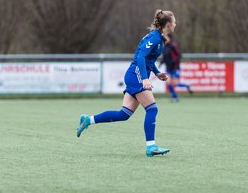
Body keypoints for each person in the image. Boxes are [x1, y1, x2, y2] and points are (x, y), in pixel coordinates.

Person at [77, 10, 176, 157]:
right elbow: (141, 56)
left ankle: (88, 120)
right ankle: (151, 146)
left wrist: (156, 73)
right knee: (152, 109)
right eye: (174, 22)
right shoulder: (155, 37)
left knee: (123, 114)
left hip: (134, 75)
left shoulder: (159, 38)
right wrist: (144, 78)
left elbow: (148, 59)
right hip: (135, 75)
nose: (175, 24)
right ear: (168, 24)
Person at [161, 33, 192, 102]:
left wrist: (173, 61)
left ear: (170, 38)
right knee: (168, 82)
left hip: (175, 68)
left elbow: (179, 55)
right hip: (168, 68)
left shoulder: (173, 45)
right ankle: (175, 97)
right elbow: (165, 56)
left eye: (166, 38)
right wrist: (161, 62)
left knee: (175, 84)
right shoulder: (165, 46)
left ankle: (186, 85)